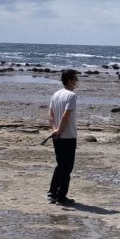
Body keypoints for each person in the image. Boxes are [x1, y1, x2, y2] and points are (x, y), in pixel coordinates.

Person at [46, 68, 79, 206]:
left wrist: (54, 129)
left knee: (60, 165)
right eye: (76, 79)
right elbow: (66, 115)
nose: (77, 81)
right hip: (68, 136)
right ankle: (61, 197)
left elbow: (50, 115)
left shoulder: (56, 94)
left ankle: (52, 192)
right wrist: (59, 130)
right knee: (67, 168)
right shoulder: (71, 96)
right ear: (70, 80)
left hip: (57, 136)